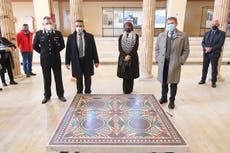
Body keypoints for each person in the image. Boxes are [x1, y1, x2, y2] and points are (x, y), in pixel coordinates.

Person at [155, 17, 190, 109]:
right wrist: (158, 59)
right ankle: (164, 97)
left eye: (172, 23)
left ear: (176, 24)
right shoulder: (161, 35)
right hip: (163, 63)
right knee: (164, 82)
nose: (170, 25)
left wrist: (181, 61)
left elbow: (186, 50)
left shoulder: (183, 35)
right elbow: (157, 49)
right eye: (168, 23)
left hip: (175, 63)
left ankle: (172, 101)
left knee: (174, 83)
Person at [33, 16, 66, 104]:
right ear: (43, 24)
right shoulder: (39, 34)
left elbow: (62, 45)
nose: (48, 25)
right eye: (47, 23)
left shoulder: (58, 33)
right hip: (45, 60)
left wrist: (55, 51)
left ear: (53, 24)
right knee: (46, 78)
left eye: (50, 23)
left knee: (58, 77)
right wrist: (43, 53)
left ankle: (61, 95)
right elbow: (35, 46)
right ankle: (47, 96)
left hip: (56, 59)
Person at [65, 19, 99, 94]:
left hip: (87, 60)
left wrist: (96, 61)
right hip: (76, 61)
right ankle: (79, 92)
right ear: (75, 27)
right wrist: (67, 62)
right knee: (78, 78)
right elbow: (68, 51)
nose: (79, 28)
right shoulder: (70, 37)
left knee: (88, 77)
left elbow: (94, 49)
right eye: (77, 26)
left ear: (83, 26)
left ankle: (88, 91)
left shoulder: (90, 36)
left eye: (80, 26)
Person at [198, 19, 225, 88]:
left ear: (218, 25)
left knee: (214, 68)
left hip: (215, 53)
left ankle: (213, 82)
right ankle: (203, 80)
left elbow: (220, 44)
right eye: (212, 24)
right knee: (205, 67)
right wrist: (205, 48)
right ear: (211, 25)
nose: (214, 25)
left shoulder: (222, 33)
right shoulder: (207, 33)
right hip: (206, 53)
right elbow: (203, 43)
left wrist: (211, 49)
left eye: (215, 24)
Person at [117, 22, 139, 94]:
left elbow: (135, 47)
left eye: (129, 26)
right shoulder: (121, 36)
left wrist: (129, 55)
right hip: (123, 58)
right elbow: (120, 48)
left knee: (131, 75)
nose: (128, 28)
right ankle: (125, 90)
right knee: (124, 75)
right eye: (126, 26)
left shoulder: (136, 36)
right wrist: (125, 56)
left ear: (132, 27)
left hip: (132, 58)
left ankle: (130, 90)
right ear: (124, 27)